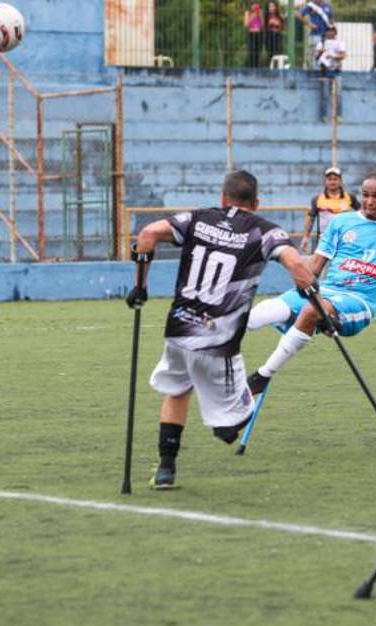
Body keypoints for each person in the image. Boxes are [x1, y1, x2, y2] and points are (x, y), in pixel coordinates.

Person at [128, 171, 313, 490]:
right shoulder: (265, 231)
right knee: (236, 417)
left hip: (179, 329)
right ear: (257, 203)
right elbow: (297, 266)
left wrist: (140, 287)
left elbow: (147, 234)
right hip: (218, 341)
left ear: (222, 198)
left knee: (177, 391)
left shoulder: (197, 219)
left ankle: (166, 468)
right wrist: (315, 295)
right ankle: (225, 427)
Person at [246, 173, 376, 392]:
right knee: (269, 309)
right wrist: (301, 277)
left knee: (313, 310)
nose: (369, 201)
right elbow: (317, 265)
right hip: (327, 291)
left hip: (360, 302)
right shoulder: (341, 222)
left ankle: (262, 376)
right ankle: (214, 342)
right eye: (366, 195)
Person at [300, 166, 360, 253]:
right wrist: (305, 237)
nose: (332, 182)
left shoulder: (350, 197)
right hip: (324, 240)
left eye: (335, 179)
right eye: (329, 179)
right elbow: (311, 219)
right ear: (325, 181)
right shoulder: (317, 199)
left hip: (345, 240)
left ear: (340, 181)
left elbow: (361, 214)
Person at [316, 24, 346, 121]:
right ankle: (323, 115)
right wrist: (322, 53)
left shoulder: (340, 43)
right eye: (328, 30)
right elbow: (316, 56)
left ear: (335, 32)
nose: (330, 32)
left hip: (336, 71)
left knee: (339, 94)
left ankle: (339, 115)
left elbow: (343, 55)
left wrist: (332, 56)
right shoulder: (321, 43)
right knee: (324, 94)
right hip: (325, 71)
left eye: (332, 30)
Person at [297, 1, 333, 69]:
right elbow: (298, 14)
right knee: (316, 57)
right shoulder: (311, 5)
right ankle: (316, 76)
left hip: (327, 35)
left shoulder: (327, 5)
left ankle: (325, 74)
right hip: (315, 35)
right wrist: (309, 24)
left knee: (326, 56)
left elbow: (330, 18)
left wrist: (332, 28)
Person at [243, 3, 264, 69]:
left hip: (259, 34)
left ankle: (257, 68)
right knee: (252, 52)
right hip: (251, 34)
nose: (255, 7)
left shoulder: (260, 12)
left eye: (256, 5)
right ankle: (251, 68)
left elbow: (262, 25)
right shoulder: (248, 12)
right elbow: (246, 24)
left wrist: (260, 16)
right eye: (253, 5)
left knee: (258, 53)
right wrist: (253, 15)